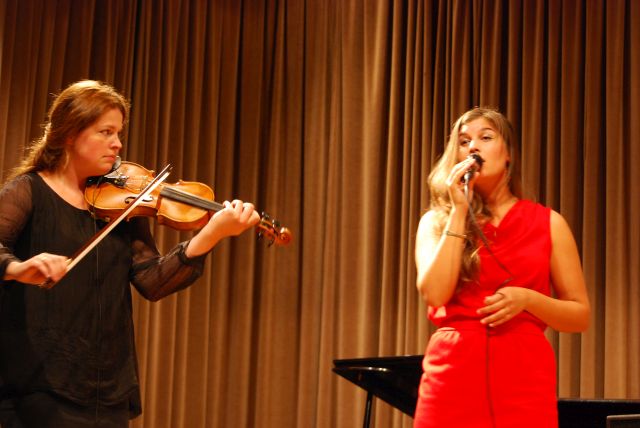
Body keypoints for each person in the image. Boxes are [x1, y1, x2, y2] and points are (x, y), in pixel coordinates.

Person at [0, 80, 260, 427]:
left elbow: (151, 281)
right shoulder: (28, 191)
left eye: (118, 133)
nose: (118, 144)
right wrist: (16, 269)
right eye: (106, 132)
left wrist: (211, 233)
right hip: (37, 385)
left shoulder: (123, 207)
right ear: (70, 134)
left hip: (106, 386)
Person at [412, 107, 590, 428]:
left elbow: (579, 315)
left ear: (508, 154)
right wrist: (458, 212)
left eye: (485, 137)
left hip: (524, 377)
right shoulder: (436, 221)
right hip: (452, 378)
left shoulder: (549, 222)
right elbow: (435, 294)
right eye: (463, 141)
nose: (472, 147)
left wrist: (528, 300)